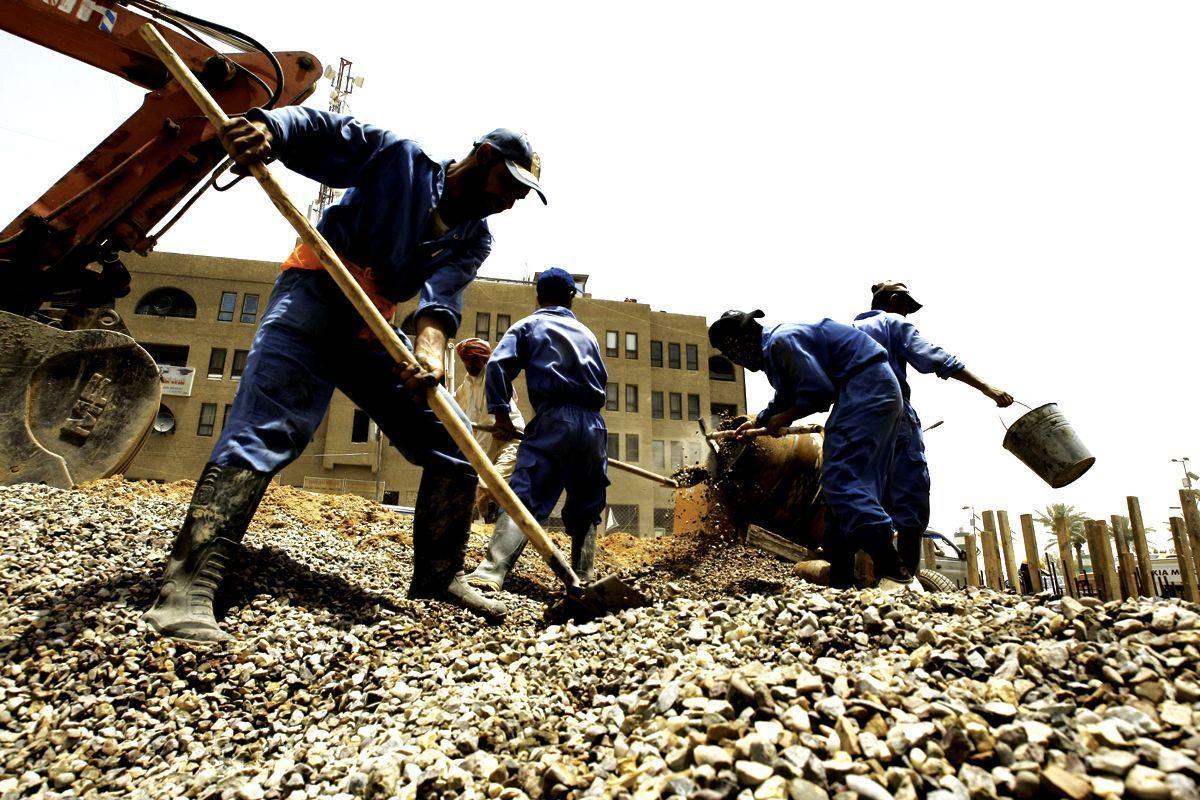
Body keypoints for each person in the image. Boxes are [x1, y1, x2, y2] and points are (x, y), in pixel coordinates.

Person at [143, 107, 546, 641]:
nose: (513, 199)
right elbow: (327, 133)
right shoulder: (403, 159)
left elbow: (440, 298)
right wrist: (270, 129)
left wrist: (428, 353)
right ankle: (186, 590)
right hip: (314, 296)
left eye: (522, 193)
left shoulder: (474, 237)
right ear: (485, 156)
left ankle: (438, 576)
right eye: (510, 183)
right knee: (267, 428)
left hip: (371, 325)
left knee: (452, 448)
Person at [708, 310, 909, 588]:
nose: (734, 359)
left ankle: (895, 571)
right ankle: (841, 580)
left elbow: (818, 392)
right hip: (873, 390)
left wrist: (785, 417)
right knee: (840, 488)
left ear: (740, 341)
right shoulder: (776, 349)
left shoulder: (781, 341)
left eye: (731, 351)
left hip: (866, 389)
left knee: (842, 479)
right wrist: (761, 420)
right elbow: (787, 394)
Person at [852, 281, 1012, 574]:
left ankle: (859, 577)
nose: (908, 315)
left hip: (852, 423)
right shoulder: (893, 323)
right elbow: (934, 358)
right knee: (911, 495)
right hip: (892, 416)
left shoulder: (847, 331)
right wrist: (987, 387)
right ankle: (904, 580)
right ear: (895, 301)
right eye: (906, 308)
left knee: (865, 496)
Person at [465, 268, 609, 591]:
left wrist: (501, 414)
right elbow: (602, 378)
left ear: (538, 296)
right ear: (572, 298)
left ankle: (491, 571)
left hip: (555, 420)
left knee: (525, 493)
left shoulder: (530, 325)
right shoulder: (588, 335)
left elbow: (498, 366)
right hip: (594, 426)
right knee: (587, 503)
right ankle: (584, 578)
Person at [453, 337, 524, 520]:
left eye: (474, 360)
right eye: (466, 360)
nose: (470, 364)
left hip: (509, 439)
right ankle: (490, 520)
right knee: (483, 488)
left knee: (489, 485)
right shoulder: (468, 382)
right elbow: (455, 401)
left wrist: (476, 461)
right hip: (486, 437)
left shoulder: (492, 379)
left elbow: (488, 422)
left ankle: (499, 519)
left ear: (485, 359)